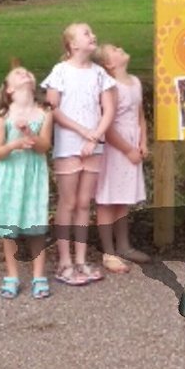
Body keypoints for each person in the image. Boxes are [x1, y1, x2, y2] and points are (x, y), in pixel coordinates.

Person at [41, 22, 116, 286]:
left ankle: (81, 258)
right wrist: (84, 132)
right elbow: (54, 109)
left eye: (92, 32)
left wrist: (95, 136)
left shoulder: (99, 74)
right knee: (68, 202)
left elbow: (108, 110)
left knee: (85, 203)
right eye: (86, 33)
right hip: (69, 146)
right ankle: (64, 261)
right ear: (73, 44)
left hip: (93, 145)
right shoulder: (60, 72)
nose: (92, 35)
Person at [0, 65, 53, 299]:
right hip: (10, 176)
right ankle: (12, 275)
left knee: (36, 226)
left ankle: (39, 275)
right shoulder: (4, 117)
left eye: (27, 72)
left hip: (33, 176)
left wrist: (29, 136)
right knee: (9, 227)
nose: (24, 73)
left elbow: (44, 147)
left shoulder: (44, 113)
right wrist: (13, 145)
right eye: (17, 73)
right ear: (10, 89)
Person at [94, 43, 150, 272]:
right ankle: (108, 252)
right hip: (115, 147)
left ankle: (124, 246)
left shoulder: (134, 82)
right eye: (115, 50)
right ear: (109, 64)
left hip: (132, 144)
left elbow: (140, 115)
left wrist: (142, 142)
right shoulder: (110, 87)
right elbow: (106, 126)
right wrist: (127, 149)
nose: (120, 48)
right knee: (108, 199)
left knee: (123, 198)